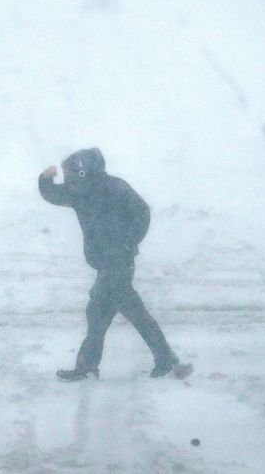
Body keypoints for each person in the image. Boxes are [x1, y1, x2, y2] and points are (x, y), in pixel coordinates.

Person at [39, 148, 179, 380]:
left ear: (84, 172)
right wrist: (45, 180)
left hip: (119, 263)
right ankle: (162, 358)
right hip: (106, 264)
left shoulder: (115, 188)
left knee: (114, 313)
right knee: (103, 315)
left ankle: (88, 366)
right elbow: (54, 194)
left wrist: (127, 242)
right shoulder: (80, 192)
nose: (69, 180)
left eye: (71, 174)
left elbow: (142, 212)